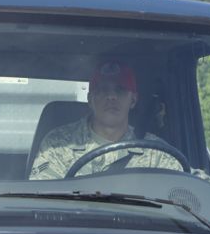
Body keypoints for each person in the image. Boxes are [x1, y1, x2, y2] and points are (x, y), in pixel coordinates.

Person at [29, 60, 184, 179]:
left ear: (133, 100)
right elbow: (41, 200)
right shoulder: (59, 145)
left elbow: (194, 184)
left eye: (120, 90)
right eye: (103, 90)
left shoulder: (155, 152)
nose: (111, 97)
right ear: (90, 99)